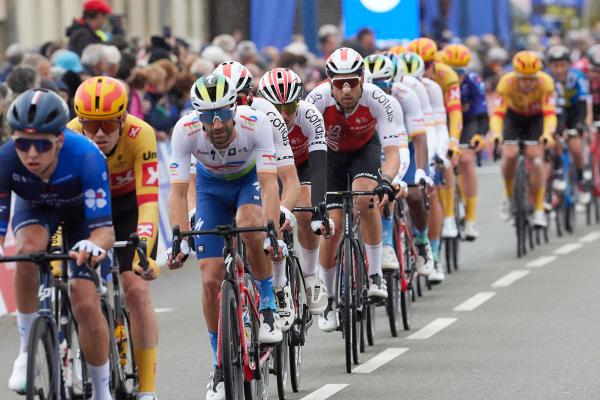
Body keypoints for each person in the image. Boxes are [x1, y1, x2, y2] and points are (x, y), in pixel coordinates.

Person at [166, 74, 285, 400]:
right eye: (208, 115)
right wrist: (179, 239)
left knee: (250, 224)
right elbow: (178, 193)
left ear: (234, 108)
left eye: (221, 113)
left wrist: (270, 230)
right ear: (197, 115)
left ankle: (268, 306)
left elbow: (269, 183)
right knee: (210, 279)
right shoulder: (185, 130)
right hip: (211, 190)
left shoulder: (256, 123)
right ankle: (219, 366)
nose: (216, 124)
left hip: (248, 181)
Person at [0, 89, 115, 399]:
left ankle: (101, 390)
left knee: (85, 301)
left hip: (82, 215)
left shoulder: (87, 157)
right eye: (23, 144)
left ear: (60, 140)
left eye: (41, 145)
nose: (31, 154)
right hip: (37, 209)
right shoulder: (5, 160)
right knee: (26, 253)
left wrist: (93, 246)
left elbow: (104, 232)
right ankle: (26, 350)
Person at [69, 76, 160, 400]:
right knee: (78, 290)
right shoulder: (70, 136)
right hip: (86, 210)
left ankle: (146, 390)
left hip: (129, 208)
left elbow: (148, 202)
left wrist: (142, 251)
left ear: (122, 119)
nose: (99, 134)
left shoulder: (141, 134)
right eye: (90, 124)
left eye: (107, 124)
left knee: (135, 289)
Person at [306, 47, 401, 332]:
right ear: (330, 82)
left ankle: (374, 275)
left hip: (364, 150)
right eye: (339, 83)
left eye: (352, 82)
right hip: (329, 156)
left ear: (362, 79)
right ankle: (329, 300)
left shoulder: (378, 99)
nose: (346, 89)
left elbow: (393, 152)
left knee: (364, 198)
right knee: (332, 226)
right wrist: (316, 197)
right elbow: (312, 155)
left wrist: (386, 180)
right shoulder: (316, 100)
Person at [258, 67, 334, 315]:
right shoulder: (257, 119)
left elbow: (320, 165)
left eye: (289, 107)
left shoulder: (310, 115)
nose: (283, 114)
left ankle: (311, 276)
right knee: (269, 215)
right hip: (271, 168)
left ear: (298, 103)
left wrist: (319, 209)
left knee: (304, 204)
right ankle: (279, 284)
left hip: (303, 165)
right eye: (276, 107)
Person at [397, 51, 450, 278]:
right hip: (387, 146)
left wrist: (436, 156)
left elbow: (432, 129)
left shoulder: (419, 89)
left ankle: (428, 245)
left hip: (414, 141)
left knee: (421, 193)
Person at [490, 51, 557, 227]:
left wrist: (548, 133)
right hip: (514, 117)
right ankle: (508, 196)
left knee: (536, 157)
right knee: (510, 154)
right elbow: (498, 113)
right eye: (523, 79)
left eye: (532, 79)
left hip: (536, 118)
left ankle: (539, 208)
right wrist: (496, 133)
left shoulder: (546, 82)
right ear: (516, 76)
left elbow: (550, 113)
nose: (528, 83)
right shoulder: (506, 82)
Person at [409, 37, 463, 240]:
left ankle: (449, 217)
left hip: (441, 119)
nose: (423, 70)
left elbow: (454, 113)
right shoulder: (407, 80)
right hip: (416, 123)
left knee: (445, 159)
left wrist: (453, 142)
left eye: (428, 65)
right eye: (419, 65)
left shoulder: (446, 76)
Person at [442, 44, 489, 240]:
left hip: (468, 121)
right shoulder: (438, 79)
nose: (457, 76)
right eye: (452, 71)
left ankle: (470, 218)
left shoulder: (473, 81)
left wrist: (480, 135)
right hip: (443, 121)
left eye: (460, 72)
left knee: (467, 160)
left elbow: (483, 113)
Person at [546, 44, 593, 206]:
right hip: (554, 113)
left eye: (562, 65)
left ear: (568, 64)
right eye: (555, 65)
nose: (559, 69)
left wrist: (581, 124)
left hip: (574, 111)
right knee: (553, 144)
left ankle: (581, 180)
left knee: (575, 147)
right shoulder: (547, 79)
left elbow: (583, 103)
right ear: (550, 66)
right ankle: (556, 175)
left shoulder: (578, 77)